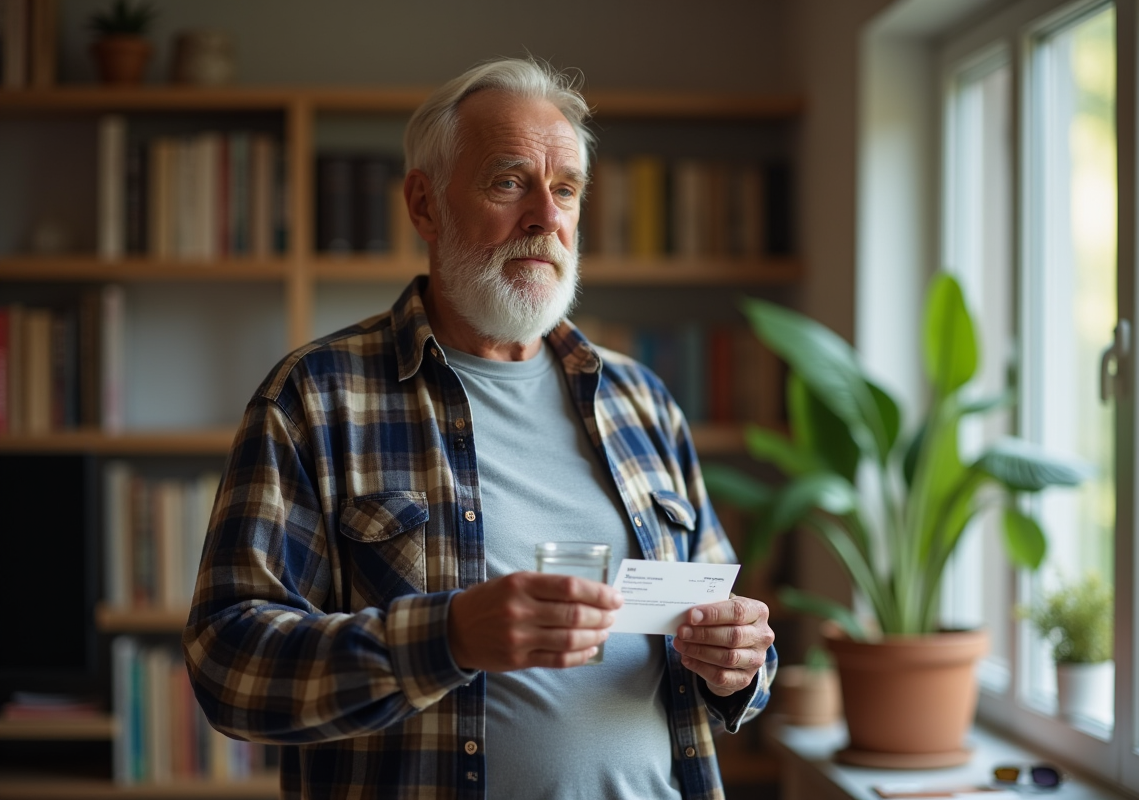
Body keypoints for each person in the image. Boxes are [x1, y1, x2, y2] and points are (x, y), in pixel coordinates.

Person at [183, 56, 776, 800]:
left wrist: (741, 661)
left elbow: (735, 641)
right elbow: (227, 664)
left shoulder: (642, 401)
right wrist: (449, 637)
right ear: (424, 205)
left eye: (566, 189)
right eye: (508, 183)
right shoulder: (315, 398)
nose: (546, 218)